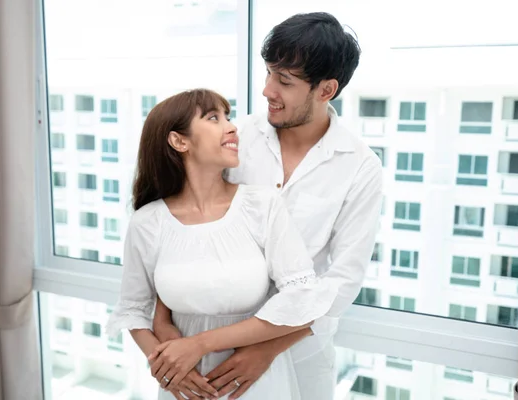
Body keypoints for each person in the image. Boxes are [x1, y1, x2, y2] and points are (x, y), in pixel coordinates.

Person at [152, 11, 383, 400]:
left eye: (284, 81)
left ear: (326, 90)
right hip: (206, 346)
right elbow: (179, 224)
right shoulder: (234, 136)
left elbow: (342, 281)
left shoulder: (359, 166)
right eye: (269, 73)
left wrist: (267, 348)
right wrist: (163, 321)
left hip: (299, 352)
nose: (267, 90)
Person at [106, 88, 338, 400]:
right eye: (213, 118)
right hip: (184, 386)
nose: (231, 126)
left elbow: (302, 301)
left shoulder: (262, 204)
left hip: (254, 381)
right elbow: (133, 309)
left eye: (227, 117)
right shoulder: (148, 222)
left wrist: (199, 344)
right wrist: (166, 367)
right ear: (179, 141)